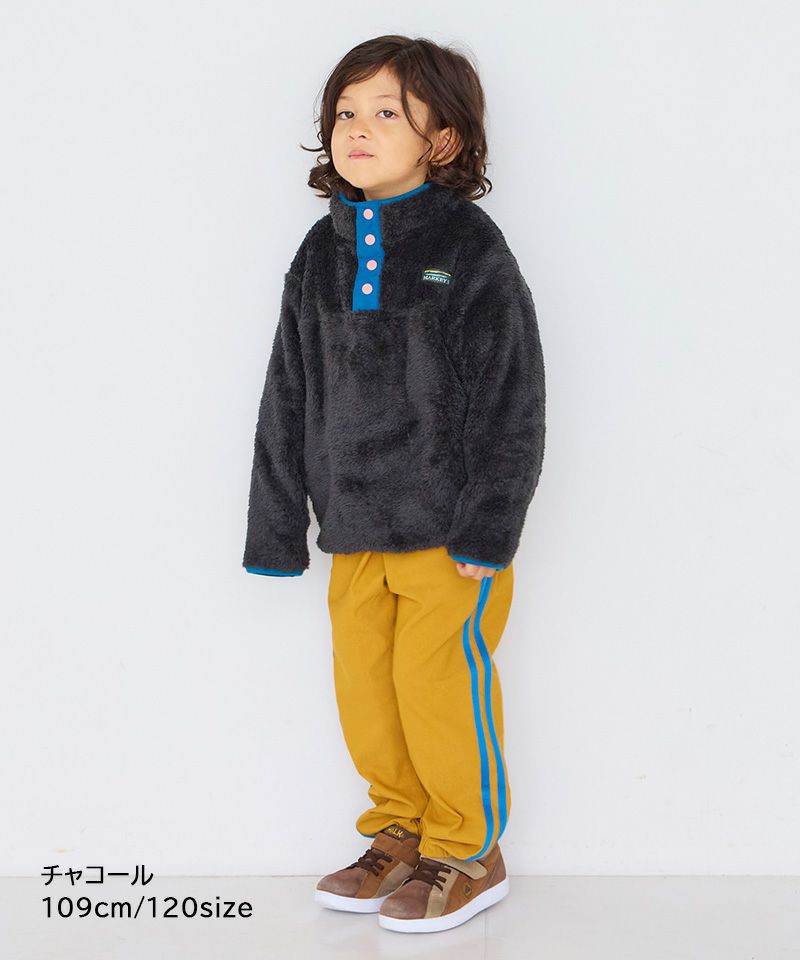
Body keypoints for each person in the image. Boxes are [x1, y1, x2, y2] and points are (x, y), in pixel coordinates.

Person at [242, 35, 546, 933]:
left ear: (441, 140)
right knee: (367, 692)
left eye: (386, 112)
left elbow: (513, 398)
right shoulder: (319, 252)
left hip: (447, 535)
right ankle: (400, 832)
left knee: (438, 687)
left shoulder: (470, 248)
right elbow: (287, 390)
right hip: (353, 527)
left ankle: (468, 848)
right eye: (345, 111)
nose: (358, 128)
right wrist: (275, 528)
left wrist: (489, 529)